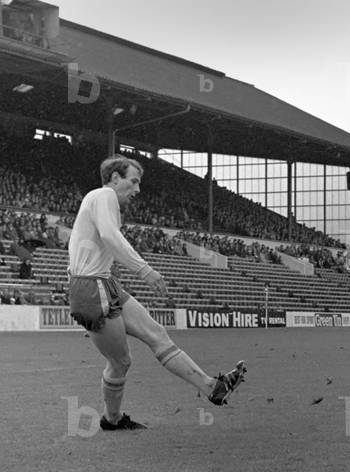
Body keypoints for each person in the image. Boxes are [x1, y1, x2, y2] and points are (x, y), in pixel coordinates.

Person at [68, 155, 246, 431]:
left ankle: (213, 387)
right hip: (92, 287)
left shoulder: (99, 201)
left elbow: (91, 243)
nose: (137, 190)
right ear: (115, 179)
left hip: (101, 283)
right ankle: (111, 420)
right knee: (121, 362)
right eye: (133, 181)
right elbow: (110, 236)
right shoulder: (104, 195)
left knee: (157, 335)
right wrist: (145, 270)